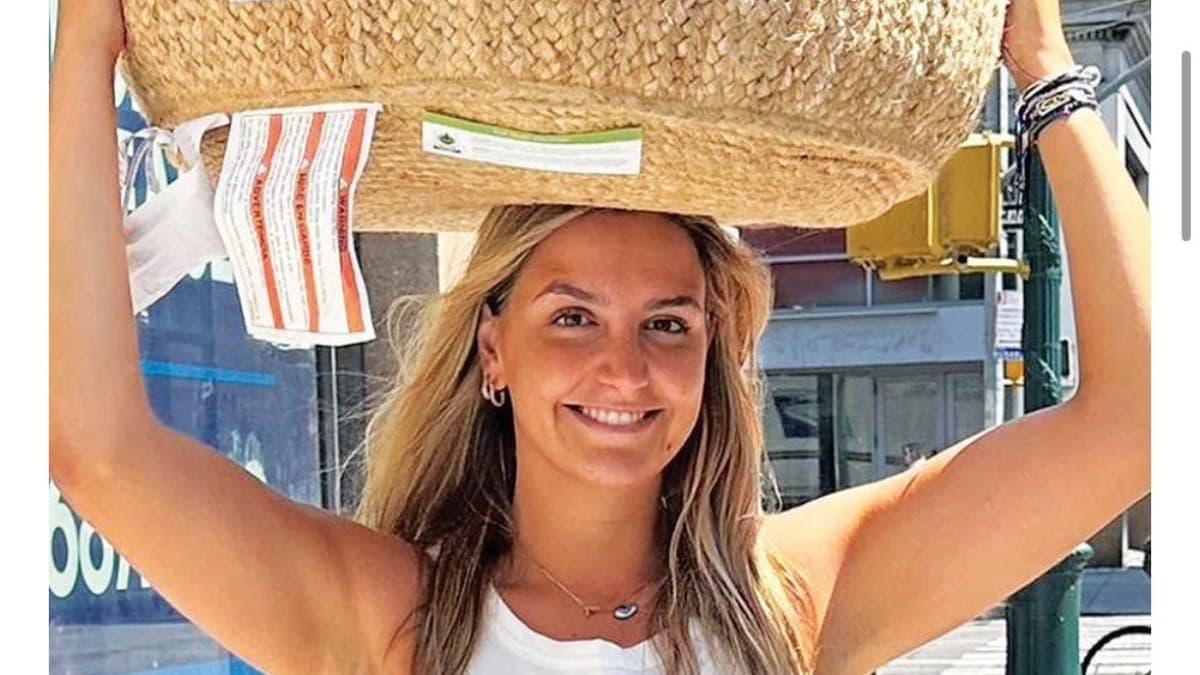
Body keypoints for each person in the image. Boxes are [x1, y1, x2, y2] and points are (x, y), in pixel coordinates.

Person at [49, 1, 1150, 673]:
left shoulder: (795, 603)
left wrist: (1047, 75)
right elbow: (95, 447)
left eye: (668, 324)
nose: (624, 368)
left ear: (713, 355)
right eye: (571, 316)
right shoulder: (395, 623)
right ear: (493, 350)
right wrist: (88, 45)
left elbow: (1145, 419)